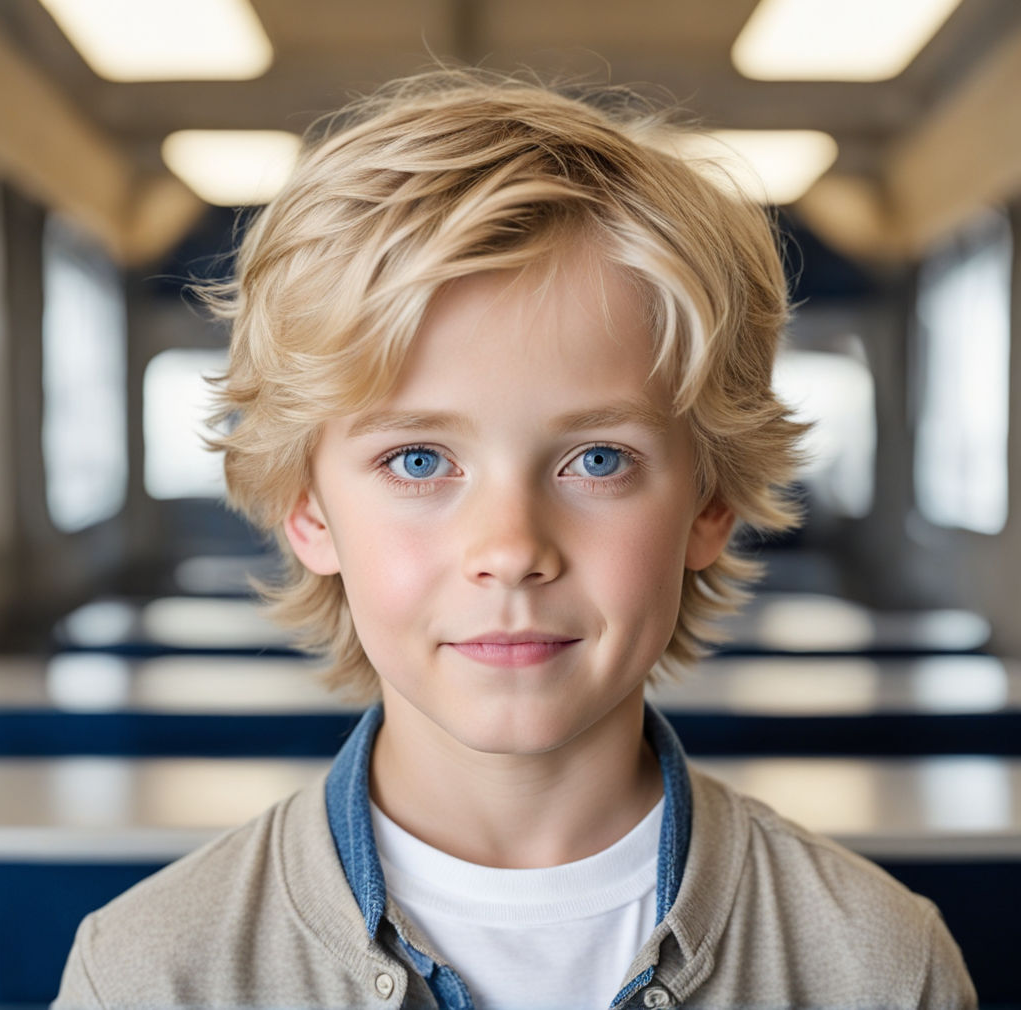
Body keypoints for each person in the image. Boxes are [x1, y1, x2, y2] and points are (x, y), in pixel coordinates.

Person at [53, 69, 975, 1009]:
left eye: (598, 460)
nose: (512, 548)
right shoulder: (145, 974)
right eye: (417, 461)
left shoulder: (882, 968)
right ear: (308, 509)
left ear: (710, 502)